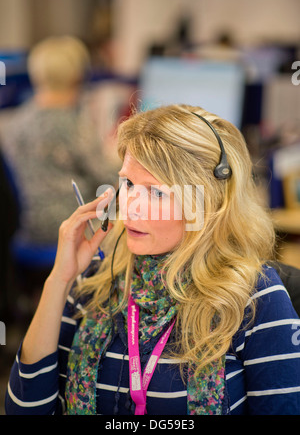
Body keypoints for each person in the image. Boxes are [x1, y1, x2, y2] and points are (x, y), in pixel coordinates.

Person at [5, 104, 300, 415]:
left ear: (207, 204)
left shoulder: (254, 299)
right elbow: (24, 410)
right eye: (128, 184)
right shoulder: (94, 282)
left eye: (157, 193)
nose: (130, 206)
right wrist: (59, 280)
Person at [0, 35, 119, 245]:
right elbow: (105, 177)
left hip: (26, 227)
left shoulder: (15, 121)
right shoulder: (71, 125)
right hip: (67, 223)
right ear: (77, 76)